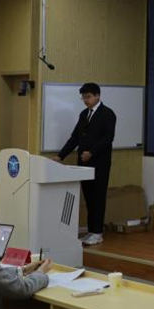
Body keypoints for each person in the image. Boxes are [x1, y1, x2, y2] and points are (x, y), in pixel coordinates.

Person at [54, 83, 116, 246]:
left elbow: (108, 138)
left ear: (97, 96)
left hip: (99, 163)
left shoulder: (107, 114)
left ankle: (98, 233)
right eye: (83, 97)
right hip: (83, 163)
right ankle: (91, 231)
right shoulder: (84, 114)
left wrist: (92, 152)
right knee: (88, 197)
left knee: (98, 197)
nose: (85, 100)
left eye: (88, 97)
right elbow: (75, 138)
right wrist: (61, 156)